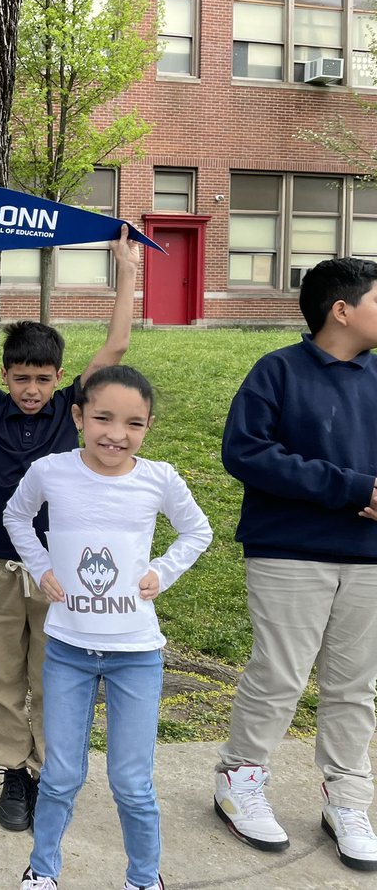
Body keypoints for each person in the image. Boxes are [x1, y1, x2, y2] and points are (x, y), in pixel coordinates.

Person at [0, 226, 139, 831]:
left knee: (53, 675)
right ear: (6, 375)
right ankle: (13, 773)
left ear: (59, 380)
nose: (30, 390)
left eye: (42, 379)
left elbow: (118, 346)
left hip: (60, 571)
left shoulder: (71, 409)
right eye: (21, 377)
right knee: (3, 676)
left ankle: (50, 772)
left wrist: (125, 268)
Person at [3, 364, 211, 890]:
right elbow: (15, 517)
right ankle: (42, 869)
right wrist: (42, 566)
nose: (116, 434)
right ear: (77, 416)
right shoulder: (51, 471)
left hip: (136, 655)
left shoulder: (159, 478)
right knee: (61, 775)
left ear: (149, 426)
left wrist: (161, 573)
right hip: (69, 650)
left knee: (132, 782)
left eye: (133, 424)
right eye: (102, 418)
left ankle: (144, 878)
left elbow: (197, 531)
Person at [213, 256, 377, 873]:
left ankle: (348, 799)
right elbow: (246, 452)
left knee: (354, 687)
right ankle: (239, 778)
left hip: (368, 557)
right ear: (342, 310)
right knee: (279, 675)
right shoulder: (277, 371)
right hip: (288, 550)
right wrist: (351, 488)